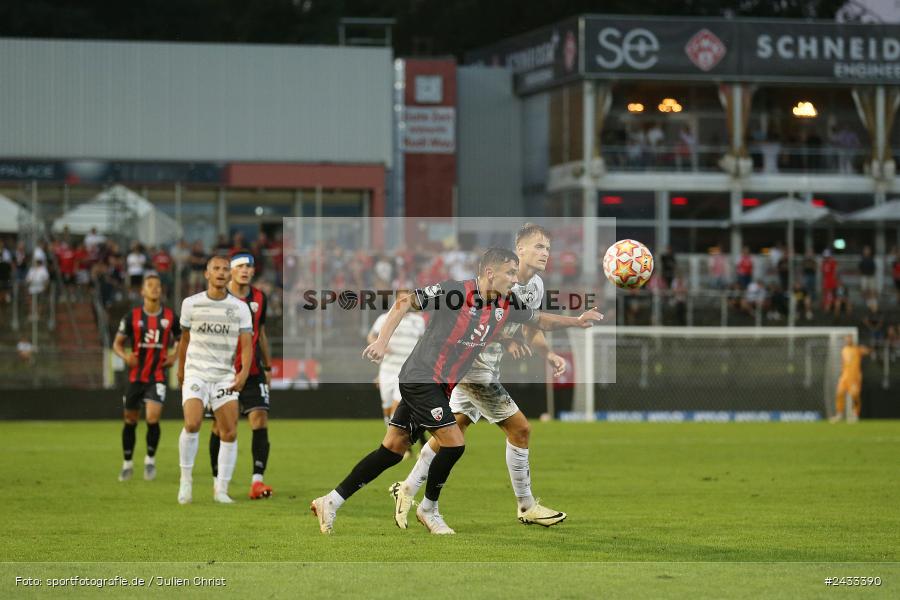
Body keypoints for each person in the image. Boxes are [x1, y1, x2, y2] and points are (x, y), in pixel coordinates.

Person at [309, 247, 603, 535]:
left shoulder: (506, 304)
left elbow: (539, 319)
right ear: (490, 272)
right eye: (510, 273)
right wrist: (383, 341)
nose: (515, 279)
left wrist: (576, 322)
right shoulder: (455, 292)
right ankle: (428, 509)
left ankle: (330, 502)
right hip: (421, 377)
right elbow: (403, 303)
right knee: (454, 443)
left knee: (392, 450)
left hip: (441, 385)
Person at [390, 224, 571, 528]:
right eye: (539, 246)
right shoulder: (499, 274)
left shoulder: (536, 287)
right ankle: (526, 505)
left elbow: (531, 327)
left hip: (484, 365)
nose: (545, 253)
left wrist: (548, 354)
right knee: (520, 429)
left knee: (451, 431)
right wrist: (505, 339)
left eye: (548, 248)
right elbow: (473, 323)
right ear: (520, 248)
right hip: (473, 367)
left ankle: (406, 488)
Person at [175, 255, 252, 504]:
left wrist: (243, 373)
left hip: (223, 377)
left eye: (224, 269)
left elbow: (247, 346)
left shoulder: (240, 308)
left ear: (229, 275)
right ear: (206, 274)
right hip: (196, 372)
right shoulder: (190, 304)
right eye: (215, 269)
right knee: (193, 423)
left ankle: (221, 489)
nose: (221, 272)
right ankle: (186, 481)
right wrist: (180, 370)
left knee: (229, 432)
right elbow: (184, 340)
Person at [208, 253, 275, 500]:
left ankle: (257, 482)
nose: (245, 270)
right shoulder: (217, 297)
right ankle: (218, 481)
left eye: (249, 266)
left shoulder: (259, 298)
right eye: (240, 266)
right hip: (222, 371)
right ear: (231, 271)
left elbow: (262, 333)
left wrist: (268, 366)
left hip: (253, 370)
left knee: (259, 419)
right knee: (220, 426)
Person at [112, 273, 181, 482]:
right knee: (130, 420)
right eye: (150, 285)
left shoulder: (170, 317)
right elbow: (116, 344)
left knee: (152, 418)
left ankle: (150, 460)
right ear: (142, 291)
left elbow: (182, 339)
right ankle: (127, 464)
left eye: (158, 286)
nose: (154, 289)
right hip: (135, 377)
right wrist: (125, 356)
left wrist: (174, 355)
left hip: (157, 376)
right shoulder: (131, 317)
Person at [366, 294, 426, 429]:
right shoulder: (384, 318)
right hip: (387, 370)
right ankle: (397, 443)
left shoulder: (418, 321)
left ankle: (398, 444)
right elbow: (371, 337)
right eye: (401, 299)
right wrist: (381, 345)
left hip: (406, 372)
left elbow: (423, 344)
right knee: (387, 410)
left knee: (397, 407)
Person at [831, 334, 871, 423]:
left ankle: (855, 414)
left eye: (849, 338)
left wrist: (867, 349)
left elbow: (868, 351)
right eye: (847, 338)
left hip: (854, 377)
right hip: (844, 376)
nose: (848, 340)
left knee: (855, 396)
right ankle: (839, 414)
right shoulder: (844, 350)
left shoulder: (857, 349)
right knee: (839, 393)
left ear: (852, 339)